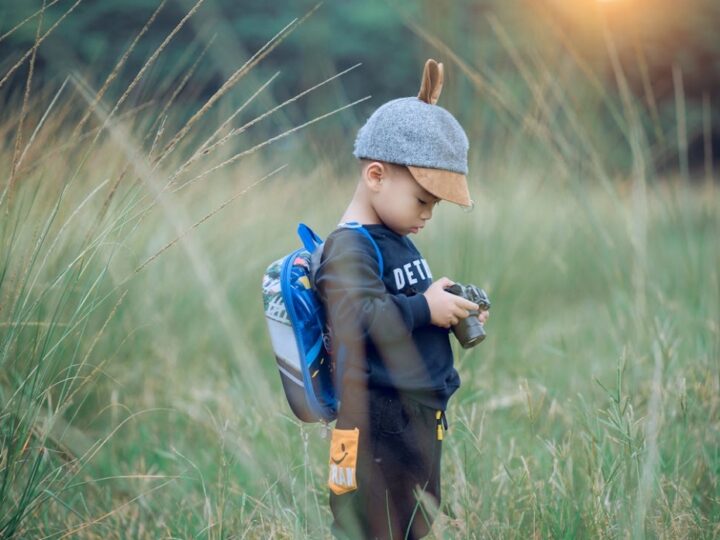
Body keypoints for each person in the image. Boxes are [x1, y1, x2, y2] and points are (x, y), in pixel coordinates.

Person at [312, 59, 490, 539]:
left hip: (413, 418)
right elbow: (359, 317)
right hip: (375, 422)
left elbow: (398, 305)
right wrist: (425, 307)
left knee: (415, 522)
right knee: (374, 526)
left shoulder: (394, 236)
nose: (429, 214)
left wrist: (444, 302)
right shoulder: (348, 246)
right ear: (375, 175)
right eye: (423, 199)